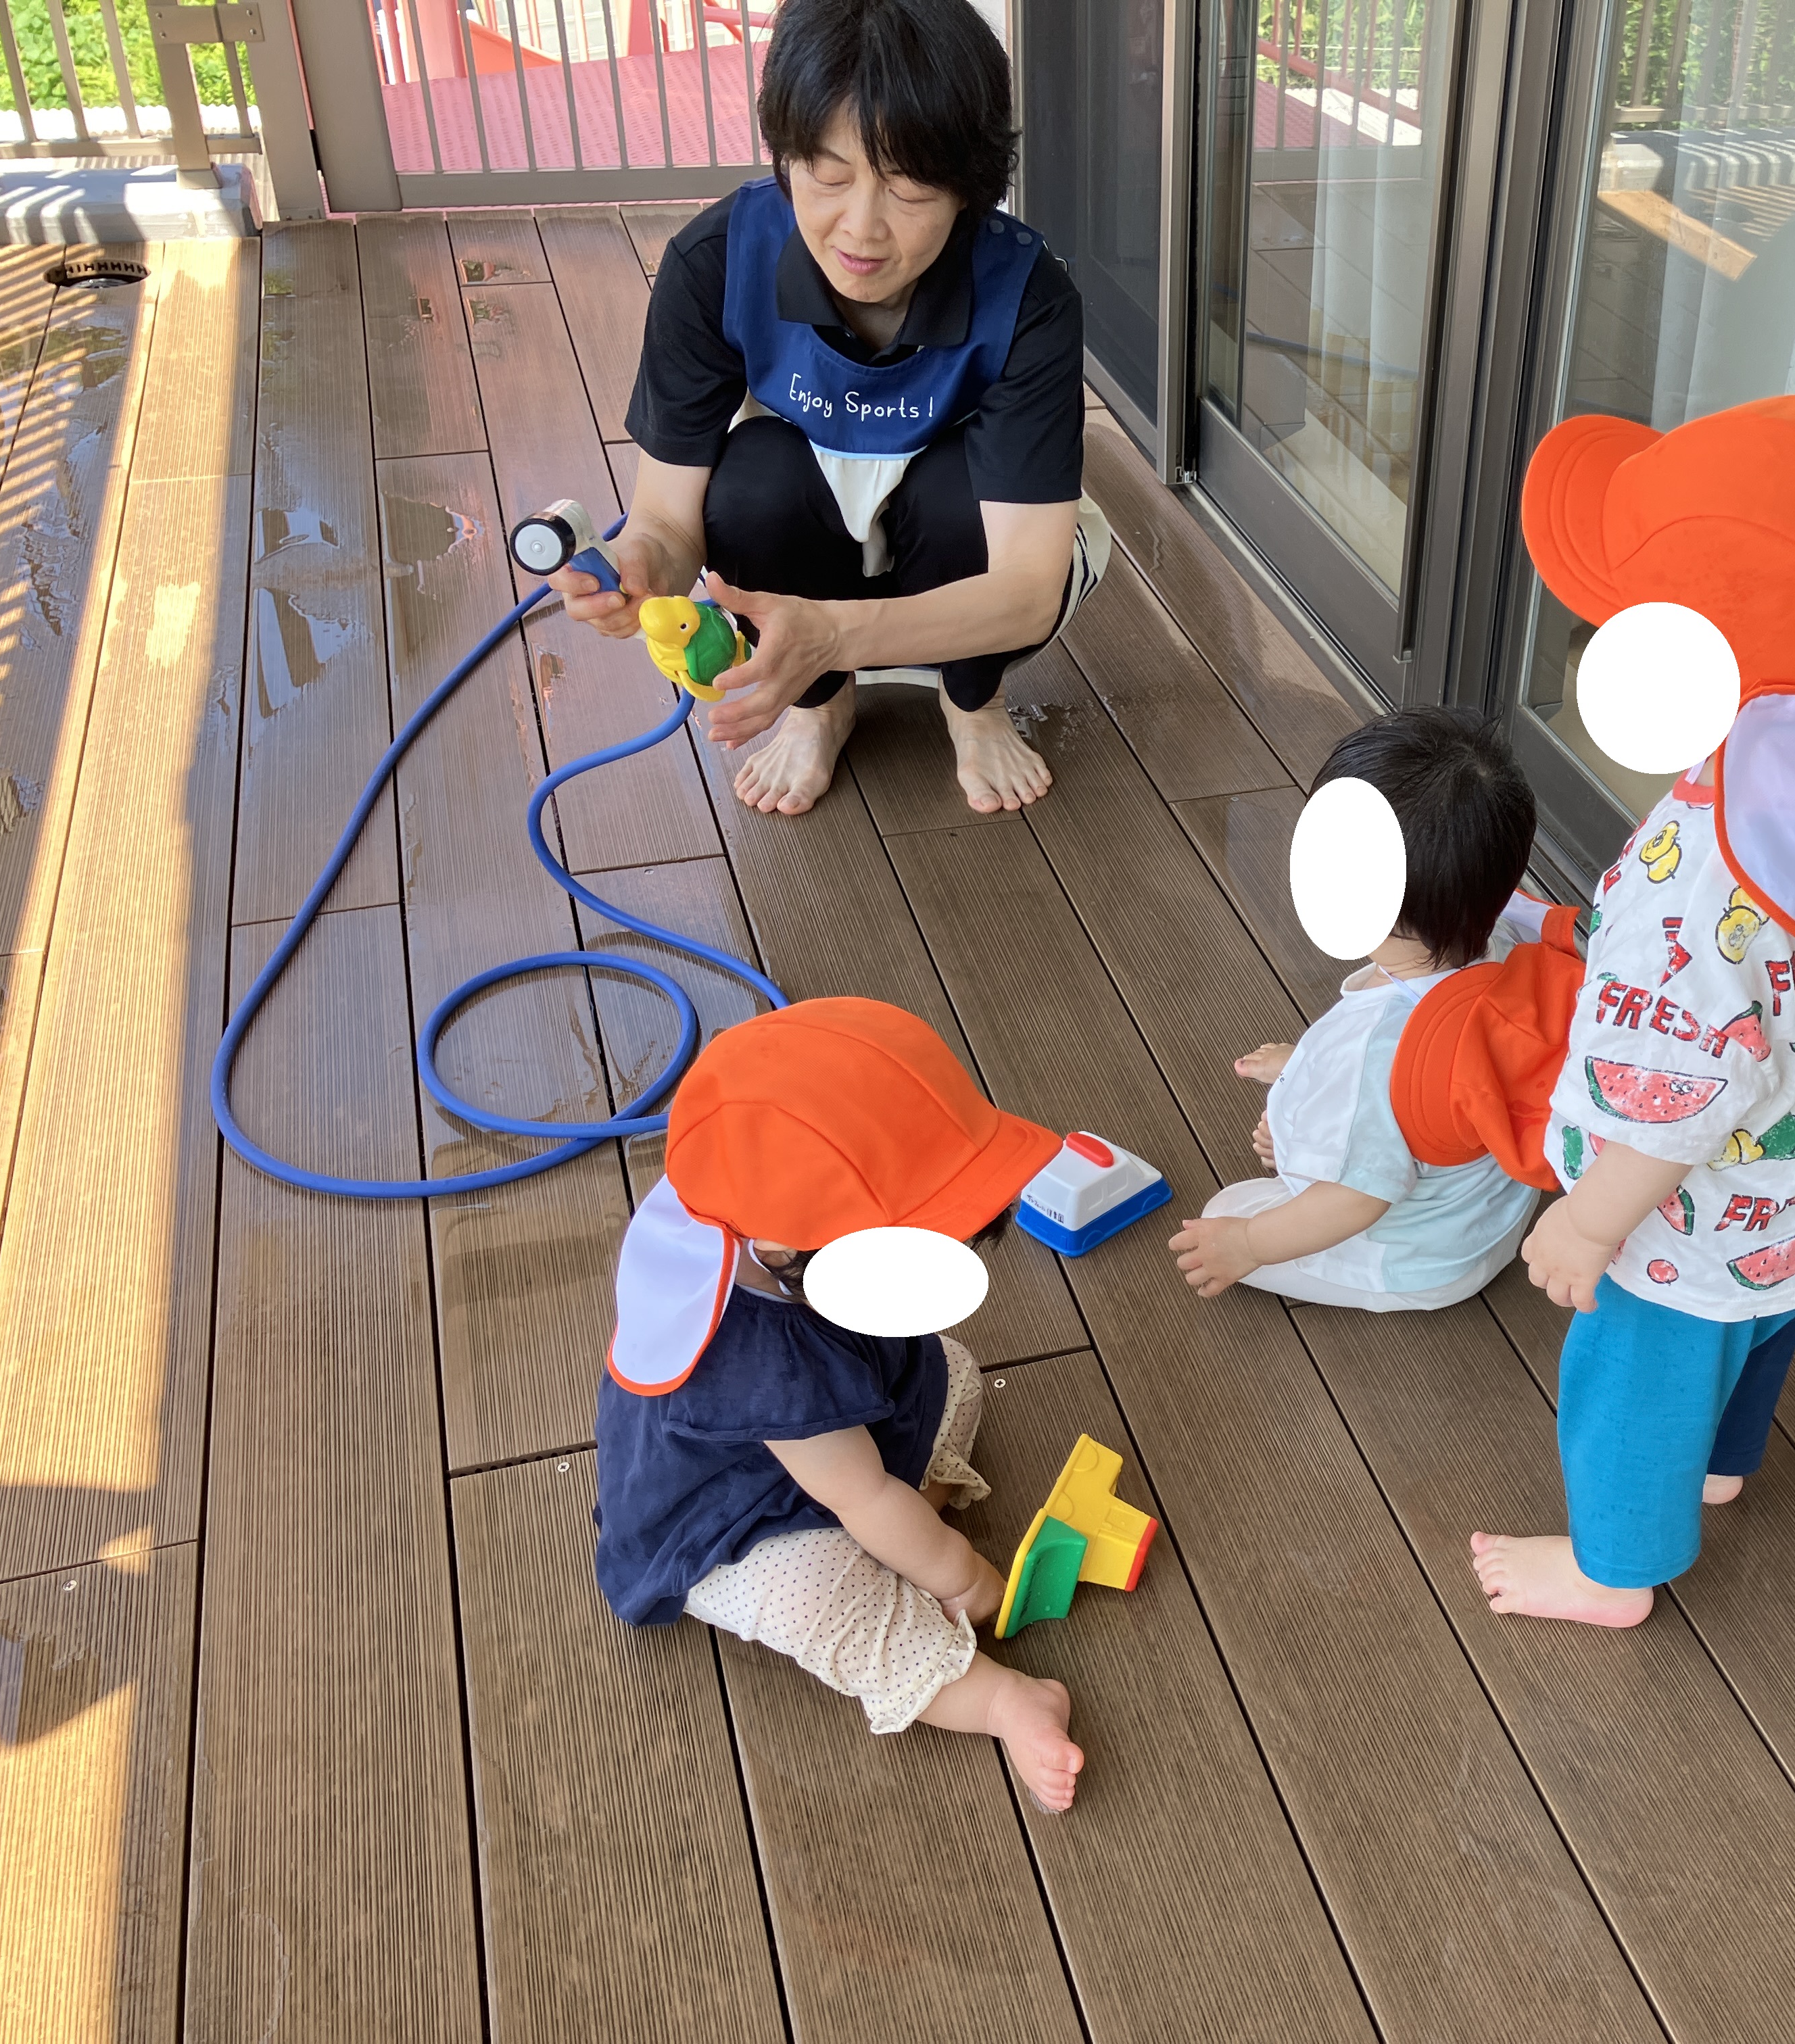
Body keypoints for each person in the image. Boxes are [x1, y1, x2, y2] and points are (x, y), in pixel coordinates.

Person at [1468, 395, 1795, 1627]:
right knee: (1760, 1322)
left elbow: (1680, 1089)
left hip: (1683, 1221)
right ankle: (1722, 1464)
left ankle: (1613, 1570)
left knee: (1634, 1375)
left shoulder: (1702, 890)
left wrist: (1589, 1223)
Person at [551, 0, 1109, 821]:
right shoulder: (716, 263)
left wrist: (837, 635)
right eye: (828, 172)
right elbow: (667, 520)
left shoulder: (1028, 295)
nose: (862, 228)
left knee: (960, 497)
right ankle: (820, 709)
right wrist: (640, 570)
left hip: (952, 542)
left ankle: (974, 701)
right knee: (750, 482)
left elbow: (1028, 588)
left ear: (969, 186)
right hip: (805, 531)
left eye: (909, 186)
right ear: (785, 155)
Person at [593, 997, 1084, 1809]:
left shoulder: (749, 1207)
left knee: (955, 1371)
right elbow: (860, 1491)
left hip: (836, 1434)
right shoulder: (759, 1364)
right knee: (817, 1596)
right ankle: (1000, 1700)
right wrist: (964, 1578)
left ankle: (900, 1537)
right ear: (790, 1250)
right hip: (732, 1518)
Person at [1170, 710, 1547, 1313]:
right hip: (1489, 1211)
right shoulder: (1510, 938)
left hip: (1417, 1259)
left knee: (1227, 1211)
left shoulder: (1374, 1054)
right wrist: (1306, 1069)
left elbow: (1357, 1199)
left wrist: (1246, 1244)